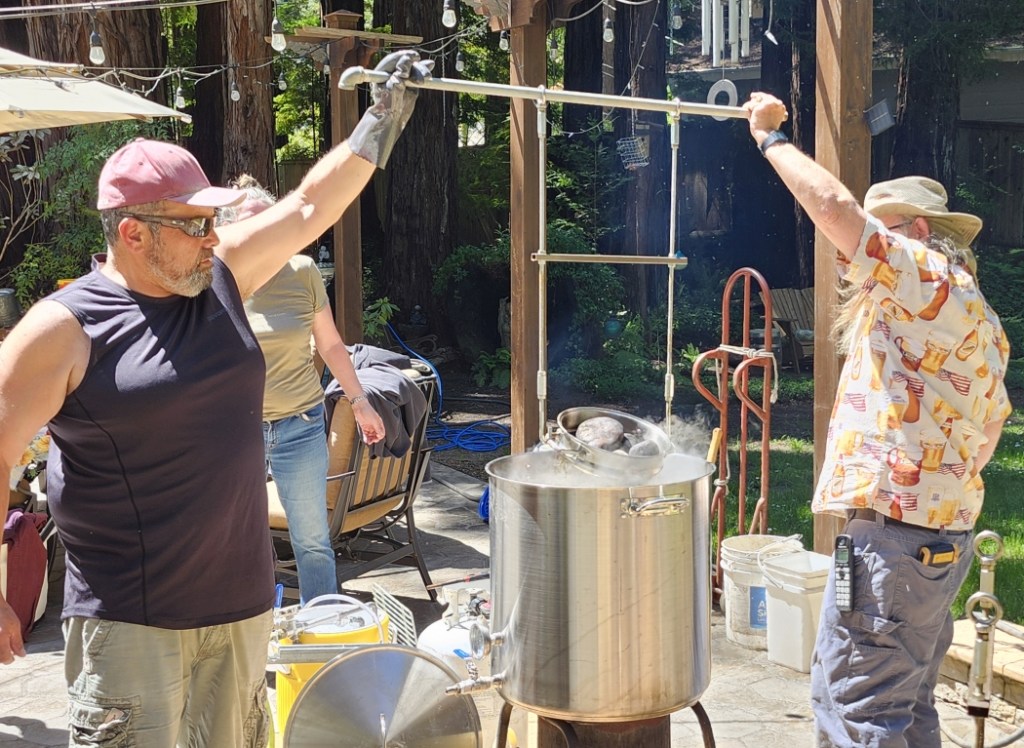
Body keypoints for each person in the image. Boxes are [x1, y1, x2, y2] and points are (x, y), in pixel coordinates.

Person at [0, 50, 431, 747]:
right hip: (132, 622)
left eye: (212, 222)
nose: (212, 237)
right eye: (194, 225)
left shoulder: (222, 275)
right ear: (133, 234)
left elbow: (310, 206)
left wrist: (378, 122)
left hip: (240, 609)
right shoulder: (63, 329)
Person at [744, 92, 1012, 747]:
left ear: (917, 233)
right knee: (907, 707)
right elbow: (992, 429)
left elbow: (833, 210)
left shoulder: (924, 274)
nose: (851, 255)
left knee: (856, 709)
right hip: (932, 541)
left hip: (892, 544)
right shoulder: (981, 319)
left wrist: (772, 139)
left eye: (879, 231)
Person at [226, 175, 386, 604]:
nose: (260, 238)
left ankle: (321, 631)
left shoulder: (303, 272)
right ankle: (247, 632)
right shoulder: (215, 281)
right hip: (234, 432)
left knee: (312, 541)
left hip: (299, 425)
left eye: (267, 226)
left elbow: (331, 343)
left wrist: (361, 402)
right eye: (248, 230)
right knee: (233, 539)